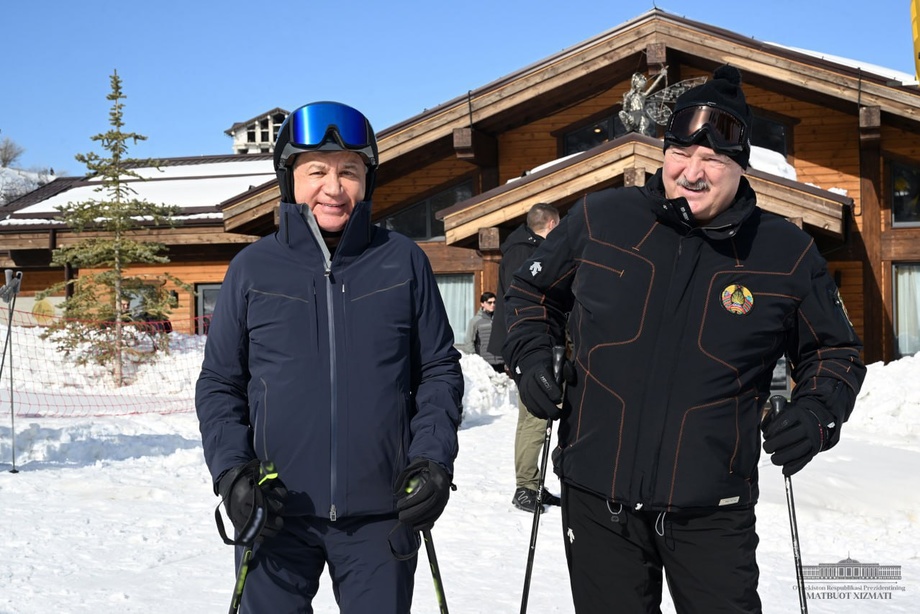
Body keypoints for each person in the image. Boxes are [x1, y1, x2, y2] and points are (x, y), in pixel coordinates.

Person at [502, 66, 867, 613]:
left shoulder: (784, 252)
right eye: (681, 153)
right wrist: (532, 358)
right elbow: (529, 297)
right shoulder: (602, 219)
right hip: (598, 498)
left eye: (713, 159)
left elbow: (835, 351)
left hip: (713, 508)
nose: (692, 172)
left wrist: (817, 413)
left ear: (741, 167)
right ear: (663, 152)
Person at [196, 101, 464, 613]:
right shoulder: (253, 268)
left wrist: (432, 460)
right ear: (289, 179)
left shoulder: (402, 260)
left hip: (382, 516)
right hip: (275, 509)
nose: (334, 188)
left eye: (350, 171)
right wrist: (232, 473)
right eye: (317, 171)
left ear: (368, 179)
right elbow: (220, 384)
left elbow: (438, 370)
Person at [486, 202, 561, 514]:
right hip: (527, 345)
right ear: (551, 224)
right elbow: (522, 301)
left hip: (528, 343)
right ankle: (525, 487)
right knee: (534, 413)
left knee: (536, 413)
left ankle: (534, 481)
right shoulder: (523, 252)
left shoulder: (525, 247)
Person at [461, 291, 503, 371]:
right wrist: (475, 360)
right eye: (489, 303)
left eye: (494, 302)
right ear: (482, 304)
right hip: (484, 364)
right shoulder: (475, 321)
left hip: (501, 362)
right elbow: (469, 342)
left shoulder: (499, 319)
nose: (493, 305)